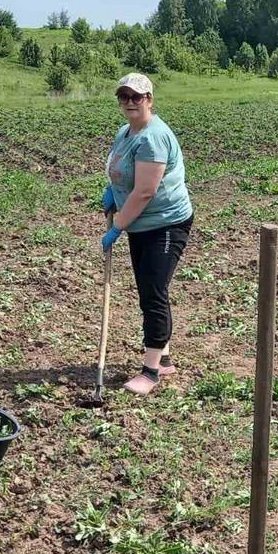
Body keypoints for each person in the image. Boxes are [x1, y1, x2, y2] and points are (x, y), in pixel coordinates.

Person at [101, 73, 194, 395]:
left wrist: (117, 226)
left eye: (136, 97)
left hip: (165, 224)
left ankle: (151, 371)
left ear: (149, 100)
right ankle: (164, 358)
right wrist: (112, 191)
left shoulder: (153, 137)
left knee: (153, 293)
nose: (129, 102)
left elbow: (145, 191)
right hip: (140, 223)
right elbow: (124, 174)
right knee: (150, 289)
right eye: (124, 96)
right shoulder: (125, 132)